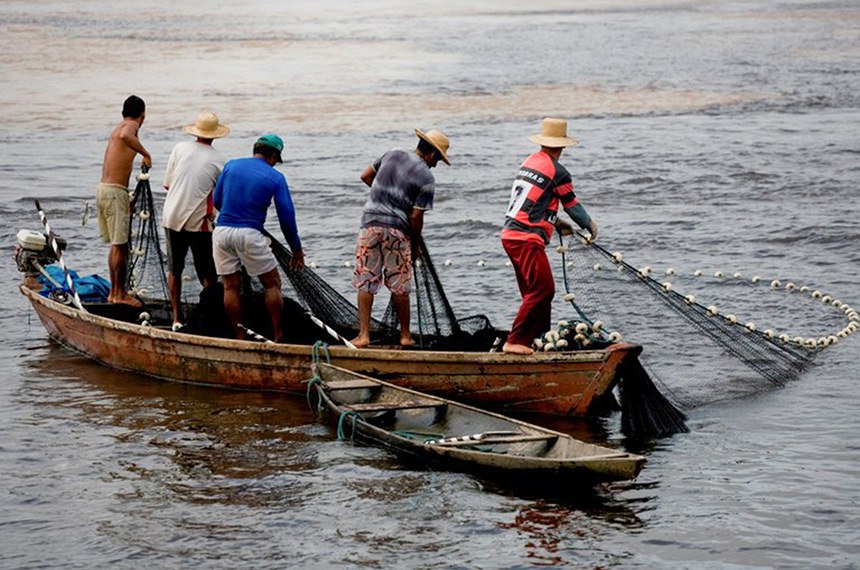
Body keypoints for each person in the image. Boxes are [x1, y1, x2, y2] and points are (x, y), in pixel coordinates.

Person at [500, 118, 598, 355]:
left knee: (533, 293)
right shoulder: (558, 172)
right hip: (527, 238)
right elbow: (572, 206)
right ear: (562, 145)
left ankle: (540, 338)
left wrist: (556, 223)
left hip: (510, 235)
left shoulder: (530, 161)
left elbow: (535, 200)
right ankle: (515, 341)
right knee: (543, 291)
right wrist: (590, 225)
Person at [351, 128, 451, 348]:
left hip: (369, 225)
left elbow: (366, 176)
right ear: (432, 154)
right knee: (400, 284)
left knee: (366, 280)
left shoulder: (392, 153)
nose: (435, 165)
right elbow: (416, 217)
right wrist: (415, 246)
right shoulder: (427, 178)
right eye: (437, 160)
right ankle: (405, 336)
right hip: (397, 231)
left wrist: (385, 195)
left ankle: (364, 335)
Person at [212, 134, 304, 341]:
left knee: (230, 287)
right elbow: (286, 218)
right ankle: (277, 334)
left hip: (222, 231)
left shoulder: (231, 165)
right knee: (272, 284)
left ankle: (240, 336)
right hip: (250, 234)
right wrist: (296, 249)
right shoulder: (276, 178)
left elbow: (217, 200)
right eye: (275, 160)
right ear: (273, 156)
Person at [161, 111, 230, 330]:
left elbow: (169, 184)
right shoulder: (219, 160)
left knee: (175, 269)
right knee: (208, 273)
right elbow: (220, 198)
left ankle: (176, 317)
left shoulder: (179, 149)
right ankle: (208, 316)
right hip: (198, 222)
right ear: (215, 135)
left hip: (171, 216)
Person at [96, 94, 152, 307]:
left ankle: (114, 293)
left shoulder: (118, 126)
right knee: (119, 245)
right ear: (142, 116)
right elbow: (126, 135)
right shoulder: (130, 126)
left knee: (117, 245)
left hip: (105, 189)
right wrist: (146, 154)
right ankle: (119, 294)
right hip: (113, 192)